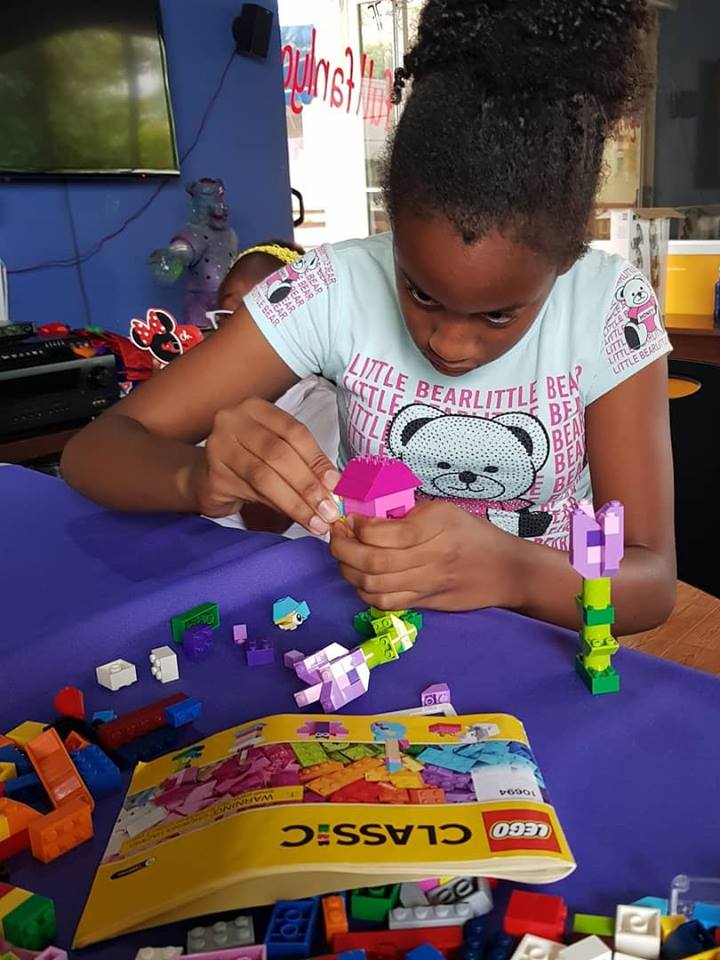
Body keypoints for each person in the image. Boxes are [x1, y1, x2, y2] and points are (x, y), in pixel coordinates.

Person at [61, 0, 676, 634]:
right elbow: (94, 452)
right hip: (371, 639)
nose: (449, 344)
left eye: (498, 315)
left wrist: (515, 571)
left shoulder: (607, 308)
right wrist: (196, 476)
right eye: (421, 293)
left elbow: (652, 583)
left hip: (540, 646)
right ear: (393, 228)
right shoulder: (335, 288)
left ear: (568, 257)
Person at [208, 241, 340, 535]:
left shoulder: (327, 409)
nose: (241, 337)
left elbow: (270, 524)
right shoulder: (201, 399)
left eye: (261, 319)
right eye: (229, 316)